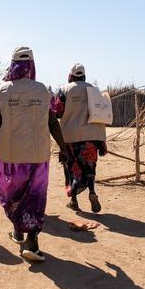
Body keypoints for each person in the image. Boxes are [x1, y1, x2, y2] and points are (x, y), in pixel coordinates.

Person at [0, 47, 69, 262]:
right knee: (35, 196)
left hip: (10, 155)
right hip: (37, 155)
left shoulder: (1, 90)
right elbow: (53, 123)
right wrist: (63, 147)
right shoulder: (44, 91)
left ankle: (18, 230)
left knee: (11, 195)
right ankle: (31, 240)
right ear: (32, 65)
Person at [53, 63, 107, 213]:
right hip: (92, 135)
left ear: (70, 76)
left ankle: (74, 200)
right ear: (84, 75)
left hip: (70, 136)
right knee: (89, 167)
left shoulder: (64, 90)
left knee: (72, 167)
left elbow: (57, 112)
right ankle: (92, 192)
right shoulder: (94, 89)